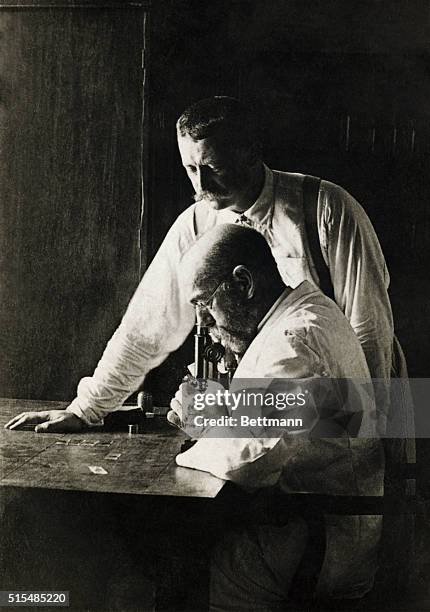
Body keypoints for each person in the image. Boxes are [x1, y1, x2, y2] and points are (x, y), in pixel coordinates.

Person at [5, 95, 395, 433]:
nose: (201, 186)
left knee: (343, 511)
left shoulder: (325, 209)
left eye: (214, 168)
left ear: (251, 152)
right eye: (191, 169)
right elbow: (145, 328)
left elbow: (370, 334)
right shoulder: (197, 223)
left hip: (342, 409)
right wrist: (86, 409)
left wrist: (369, 426)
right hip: (266, 416)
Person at [167, 223, 384, 610]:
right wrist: (221, 410)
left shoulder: (293, 339)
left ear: (244, 283)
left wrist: (202, 423)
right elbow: (300, 416)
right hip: (329, 523)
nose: (202, 323)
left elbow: (255, 460)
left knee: (185, 575)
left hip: (315, 539)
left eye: (204, 304)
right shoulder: (308, 310)